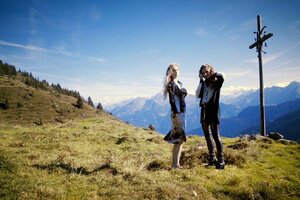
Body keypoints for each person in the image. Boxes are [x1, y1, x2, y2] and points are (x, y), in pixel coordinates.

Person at [195, 64, 225, 169]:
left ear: (211, 71)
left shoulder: (217, 81)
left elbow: (223, 75)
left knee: (216, 136)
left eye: (206, 72)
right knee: (208, 136)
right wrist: (200, 80)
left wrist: (212, 74)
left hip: (213, 111)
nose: (205, 74)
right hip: (204, 110)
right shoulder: (204, 83)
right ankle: (212, 159)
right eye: (203, 73)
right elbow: (197, 94)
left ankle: (221, 162)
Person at [163, 63, 187, 169]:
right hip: (176, 113)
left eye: (177, 70)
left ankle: (177, 164)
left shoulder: (179, 83)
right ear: (170, 72)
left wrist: (184, 93)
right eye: (173, 70)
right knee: (178, 139)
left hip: (181, 112)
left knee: (180, 139)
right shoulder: (171, 84)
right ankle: (174, 165)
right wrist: (177, 114)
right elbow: (172, 101)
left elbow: (180, 97)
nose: (176, 72)